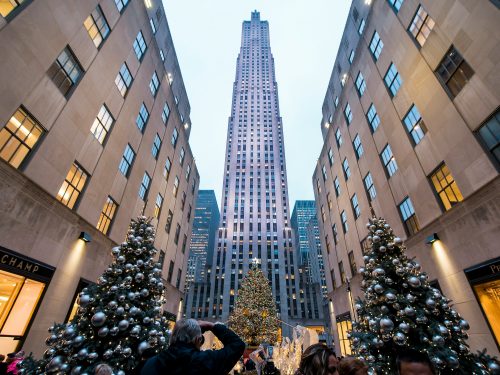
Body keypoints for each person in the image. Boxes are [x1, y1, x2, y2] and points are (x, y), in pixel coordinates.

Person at [141, 319, 245, 375]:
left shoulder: (149, 364)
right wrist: (211, 325)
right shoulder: (206, 361)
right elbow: (237, 345)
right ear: (197, 340)